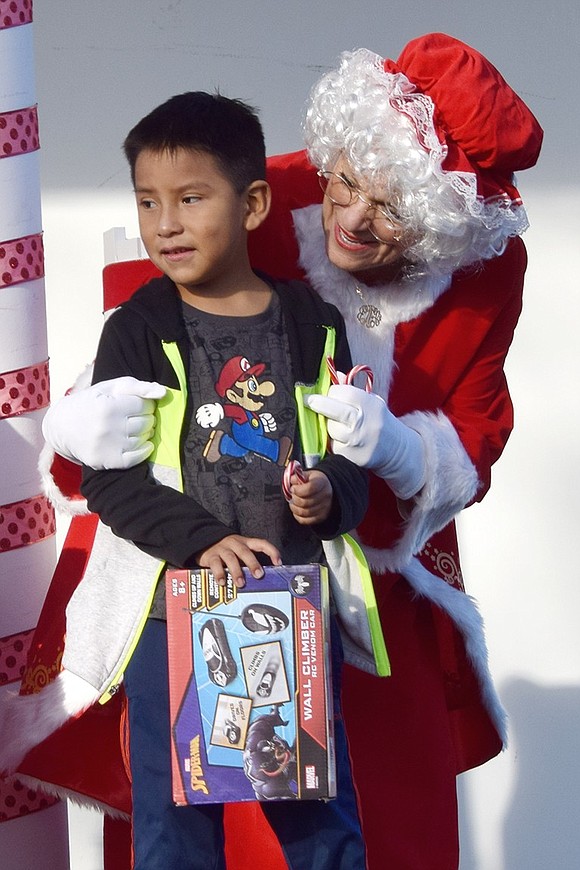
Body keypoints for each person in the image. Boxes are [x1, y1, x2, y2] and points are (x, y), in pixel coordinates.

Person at [7, 33, 543, 870]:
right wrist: (84, 419)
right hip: (176, 574)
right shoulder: (249, 187)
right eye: (348, 185)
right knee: (177, 817)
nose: (354, 218)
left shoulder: (484, 265)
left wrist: (395, 454)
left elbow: (473, 429)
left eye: (393, 208)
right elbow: (142, 326)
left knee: (339, 814)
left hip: (337, 576)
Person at [1, 91, 372, 869]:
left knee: (317, 822)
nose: (164, 222)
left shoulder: (314, 323)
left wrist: (332, 493)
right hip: (168, 623)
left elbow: (353, 458)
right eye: (147, 202)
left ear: (253, 204)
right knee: (173, 832)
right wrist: (203, 542)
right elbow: (110, 482)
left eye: (191, 198)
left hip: (288, 615)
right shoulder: (134, 330)